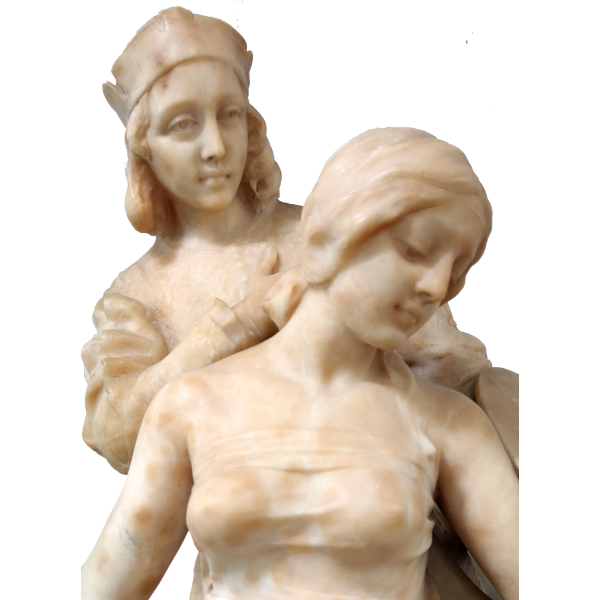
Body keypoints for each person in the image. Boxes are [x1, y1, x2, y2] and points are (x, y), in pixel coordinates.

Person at [82, 128, 518, 600]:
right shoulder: (190, 406)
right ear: (331, 235)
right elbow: (104, 587)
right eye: (414, 250)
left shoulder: (448, 424)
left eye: (455, 271)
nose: (435, 287)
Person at [82, 7, 491, 477]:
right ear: (143, 148)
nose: (215, 147)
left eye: (229, 115)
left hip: (383, 488)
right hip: (231, 510)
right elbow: (117, 435)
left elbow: (450, 364)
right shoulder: (136, 295)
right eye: (182, 124)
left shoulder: (329, 231)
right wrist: (232, 329)